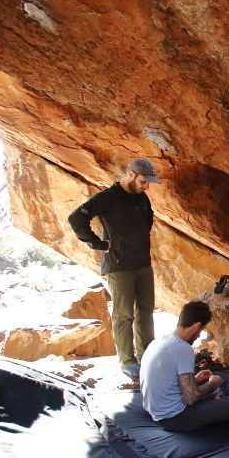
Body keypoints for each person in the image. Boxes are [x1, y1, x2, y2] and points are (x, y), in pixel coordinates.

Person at [68, 159, 159, 379]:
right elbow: (76, 218)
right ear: (129, 174)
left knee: (145, 312)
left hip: (143, 264)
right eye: (143, 181)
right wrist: (97, 244)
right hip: (119, 267)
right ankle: (128, 362)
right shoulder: (107, 198)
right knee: (124, 315)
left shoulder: (142, 198)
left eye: (148, 183)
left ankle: (146, 357)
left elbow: (148, 219)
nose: (146, 186)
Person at [139, 301, 229, 432]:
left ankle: (212, 400)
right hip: (176, 419)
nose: (198, 336)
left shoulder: (158, 342)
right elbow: (191, 398)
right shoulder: (183, 348)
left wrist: (194, 380)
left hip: (155, 412)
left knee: (208, 391)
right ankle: (212, 402)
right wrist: (212, 384)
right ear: (196, 326)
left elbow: (164, 379)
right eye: (201, 330)